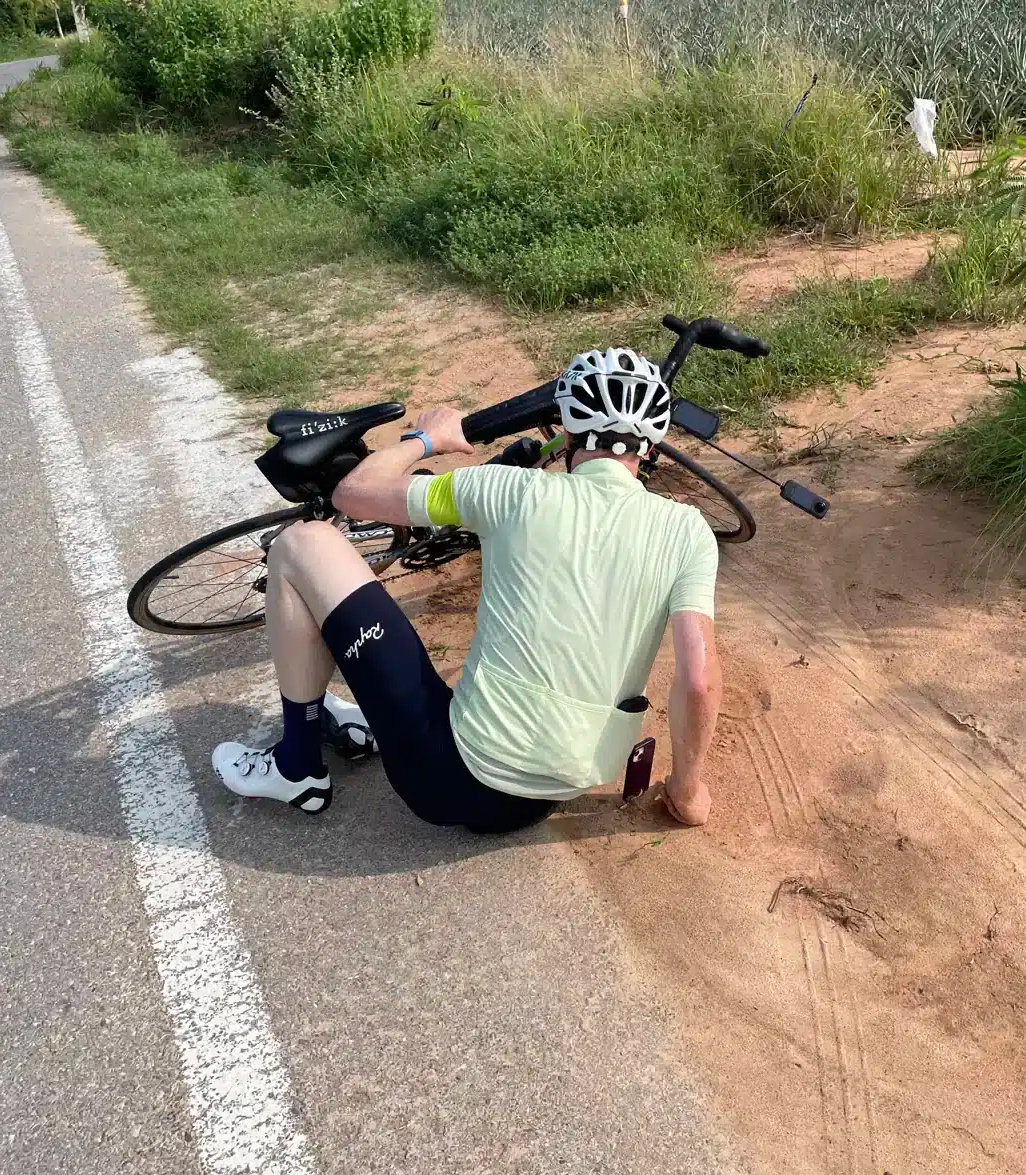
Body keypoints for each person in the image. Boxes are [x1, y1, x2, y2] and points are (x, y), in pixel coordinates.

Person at [211, 347, 724, 832]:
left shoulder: (508, 490)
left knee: (303, 542)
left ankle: (297, 766)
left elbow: (354, 494)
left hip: (444, 779)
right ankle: (362, 727)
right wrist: (686, 791)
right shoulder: (688, 531)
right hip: (556, 791)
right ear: (651, 447)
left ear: (566, 433)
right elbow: (697, 680)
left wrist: (426, 439)